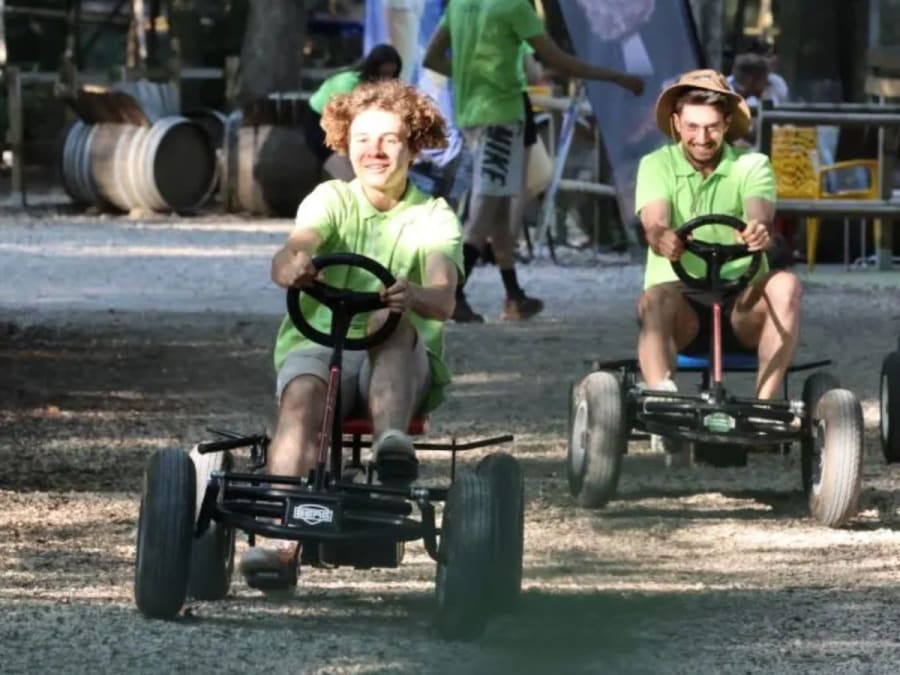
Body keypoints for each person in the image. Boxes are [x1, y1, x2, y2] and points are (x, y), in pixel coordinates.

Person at [240, 79, 463, 590]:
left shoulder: (433, 216)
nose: (375, 151)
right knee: (301, 396)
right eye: (362, 139)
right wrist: (291, 265)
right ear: (346, 143)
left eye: (388, 139)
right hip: (318, 342)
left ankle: (391, 445)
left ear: (413, 144)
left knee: (390, 324)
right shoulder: (330, 199)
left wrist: (414, 296)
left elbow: (443, 296)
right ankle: (280, 541)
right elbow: (294, 249)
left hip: (397, 356)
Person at [423, 0, 644, 323]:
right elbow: (555, 59)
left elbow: (432, 58)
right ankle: (453, 295)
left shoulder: (458, 5)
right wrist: (615, 77)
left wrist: (472, 75)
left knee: (497, 211)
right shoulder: (513, 6)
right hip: (501, 116)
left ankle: (513, 295)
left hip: (470, 114)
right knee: (484, 210)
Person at [634, 69, 802, 455]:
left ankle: (763, 407)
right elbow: (654, 221)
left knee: (786, 284)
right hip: (681, 307)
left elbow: (759, 212)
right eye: (692, 127)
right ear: (676, 123)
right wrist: (663, 237)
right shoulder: (656, 165)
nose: (702, 138)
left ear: (727, 124)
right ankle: (667, 406)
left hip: (741, 304)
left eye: (711, 127)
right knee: (653, 299)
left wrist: (758, 230)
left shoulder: (751, 165)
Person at [304, 44, 403, 180]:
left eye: (392, 74)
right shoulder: (349, 84)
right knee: (351, 178)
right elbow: (345, 123)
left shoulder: (380, 88)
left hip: (348, 131)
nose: (387, 79)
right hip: (321, 127)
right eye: (383, 74)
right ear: (373, 70)